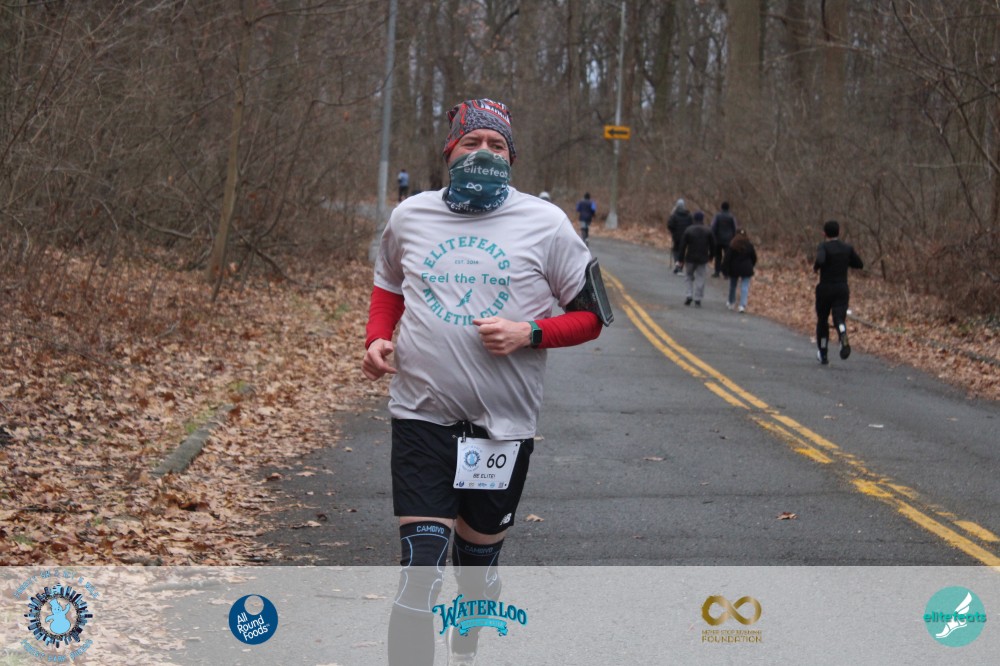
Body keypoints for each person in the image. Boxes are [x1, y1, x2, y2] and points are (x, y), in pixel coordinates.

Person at [362, 98, 611, 666]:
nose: (484, 152)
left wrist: (530, 332)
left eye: (496, 145)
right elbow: (389, 285)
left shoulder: (546, 223)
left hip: (501, 429)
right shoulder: (411, 216)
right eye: (472, 142)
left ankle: (469, 634)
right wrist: (376, 338)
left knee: (475, 568)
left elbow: (593, 317)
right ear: (450, 151)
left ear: (512, 157)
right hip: (422, 415)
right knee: (420, 569)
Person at [814, 219, 864, 364]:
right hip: (841, 288)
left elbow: (820, 260)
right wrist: (845, 261)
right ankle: (842, 332)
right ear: (839, 232)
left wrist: (816, 267)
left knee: (822, 320)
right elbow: (859, 264)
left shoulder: (823, 246)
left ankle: (823, 352)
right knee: (839, 317)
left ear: (824, 233)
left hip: (825, 288)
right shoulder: (847, 248)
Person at [677, 210, 715, 307]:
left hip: (690, 257)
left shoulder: (689, 230)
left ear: (694, 219)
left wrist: (680, 259)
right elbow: (713, 245)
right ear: (702, 219)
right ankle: (698, 298)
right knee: (700, 277)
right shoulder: (708, 230)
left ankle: (689, 295)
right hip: (703, 258)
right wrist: (711, 256)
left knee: (688, 276)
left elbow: (683, 246)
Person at [724, 228, 757, 313]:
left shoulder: (733, 245)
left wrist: (726, 269)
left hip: (734, 268)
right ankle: (742, 305)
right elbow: (754, 257)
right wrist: (751, 265)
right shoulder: (749, 245)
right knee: (744, 287)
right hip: (746, 268)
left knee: (733, 286)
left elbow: (727, 258)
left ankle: (731, 302)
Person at [711, 201, 737, 277]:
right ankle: (726, 273)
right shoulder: (732, 217)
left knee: (718, 256)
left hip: (718, 239)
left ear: (721, 207)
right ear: (728, 208)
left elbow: (713, 226)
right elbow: (735, 228)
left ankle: (717, 272)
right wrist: (733, 237)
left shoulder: (717, 216)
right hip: (729, 240)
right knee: (727, 256)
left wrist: (713, 236)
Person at [666, 199, 693, 274]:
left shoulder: (674, 215)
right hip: (686, 236)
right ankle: (680, 267)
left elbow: (669, 225)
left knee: (675, 250)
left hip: (676, 236)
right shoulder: (689, 215)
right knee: (683, 251)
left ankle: (677, 265)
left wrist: (673, 232)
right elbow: (692, 225)